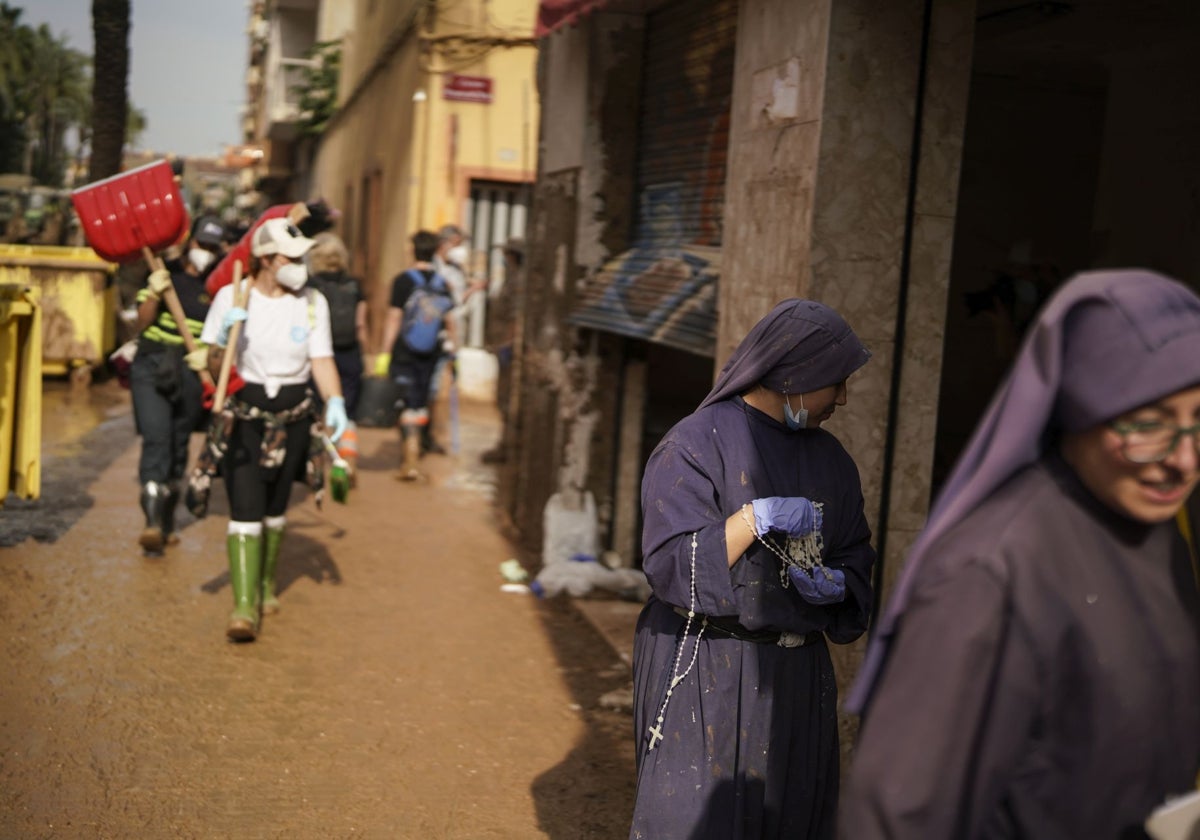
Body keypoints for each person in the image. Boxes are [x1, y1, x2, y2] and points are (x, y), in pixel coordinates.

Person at [841, 270, 1200, 839]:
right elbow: (897, 818)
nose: (1183, 460)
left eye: (1199, 422)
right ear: (1083, 403)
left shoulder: (1159, 538)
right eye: (1149, 424)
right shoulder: (990, 575)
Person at [630, 299, 876, 839]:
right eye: (834, 381)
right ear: (796, 373)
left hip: (795, 679)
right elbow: (671, 566)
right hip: (707, 665)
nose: (841, 396)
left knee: (789, 820)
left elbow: (856, 555)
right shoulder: (694, 444)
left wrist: (838, 583)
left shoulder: (832, 459)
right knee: (699, 822)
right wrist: (753, 519)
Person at [198, 217, 348, 642]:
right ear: (264, 258)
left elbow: (321, 359)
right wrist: (225, 338)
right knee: (245, 505)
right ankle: (243, 607)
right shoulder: (232, 297)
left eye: (302, 256)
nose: (299, 263)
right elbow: (215, 374)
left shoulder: (312, 302)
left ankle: (265, 584)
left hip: (296, 417)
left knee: (277, 506)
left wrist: (336, 401)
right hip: (246, 417)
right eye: (290, 256)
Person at [129, 214, 225, 556]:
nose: (206, 252)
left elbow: (223, 340)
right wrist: (154, 292)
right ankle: (151, 523)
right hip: (153, 364)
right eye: (202, 244)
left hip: (192, 371)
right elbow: (141, 322)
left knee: (179, 442)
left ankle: (167, 519)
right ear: (189, 242)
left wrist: (211, 360)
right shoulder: (163, 273)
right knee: (156, 437)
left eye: (214, 247)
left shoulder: (220, 287)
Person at [380, 229, 457, 481]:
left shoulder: (402, 281)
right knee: (421, 401)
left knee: (404, 400)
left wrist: (384, 352)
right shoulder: (442, 283)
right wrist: (453, 349)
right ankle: (415, 455)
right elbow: (449, 319)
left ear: (412, 250)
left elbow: (394, 318)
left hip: (404, 350)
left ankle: (408, 457)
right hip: (432, 351)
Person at [307, 232, 367, 418]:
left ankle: (317, 441)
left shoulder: (310, 286)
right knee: (346, 407)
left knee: (314, 406)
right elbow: (361, 323)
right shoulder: (354, 284)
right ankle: (344, 443)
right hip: (349, 350)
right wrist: (366, 353)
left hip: (318, 353)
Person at [480, 237, 524, 464]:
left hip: (510, 352)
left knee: (507, 400)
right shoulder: (511, 279)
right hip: (503, 349)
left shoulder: (518, 283)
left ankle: (508, 447)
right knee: (502, 400)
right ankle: (505, 444)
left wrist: (507, 346)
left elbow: (517, 318)